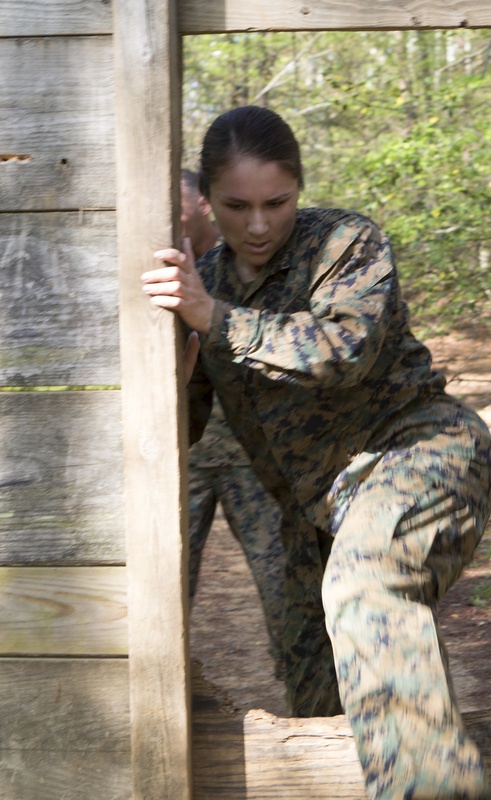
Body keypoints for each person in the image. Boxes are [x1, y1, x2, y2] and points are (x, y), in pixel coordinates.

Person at [143, 106, 491, 800]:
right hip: (315, 509)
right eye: (235, 205)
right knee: (317, 682)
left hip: (419, 453)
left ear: (299, 190)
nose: (256, 225)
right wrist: (173, 376)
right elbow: (186, 427)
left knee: (366, 589)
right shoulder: (203, 280)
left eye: (276, 202)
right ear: (206, 202)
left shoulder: (345, 241)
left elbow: (344, 352)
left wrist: (213, 319)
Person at [180, 168, 286, 681]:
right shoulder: (153, 265)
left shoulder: (248, 263)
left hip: (253, 458)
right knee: (165, 591)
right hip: (187, 458)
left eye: (179, 204)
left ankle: (316, 720)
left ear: (202, 203)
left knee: (287, 595)